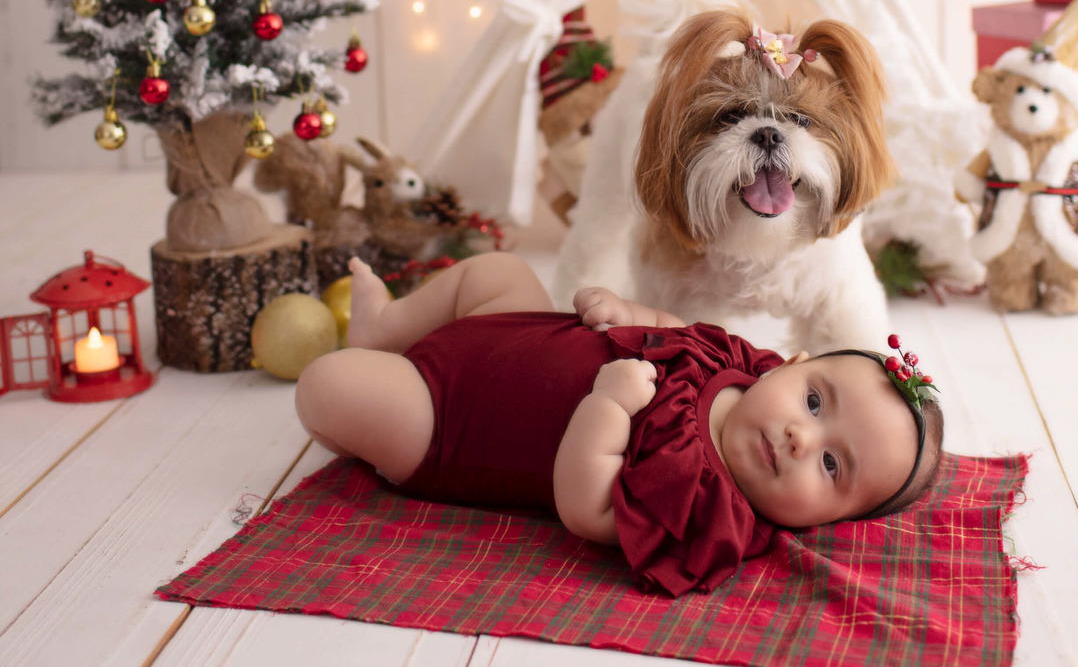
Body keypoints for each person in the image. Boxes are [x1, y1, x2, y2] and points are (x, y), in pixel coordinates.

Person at [295, 251, 945, 598]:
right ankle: (389, 328)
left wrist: (609, 406)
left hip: (451, 421)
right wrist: (621, 307)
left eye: (831, 466)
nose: (804, 438)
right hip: (512, 329)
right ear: (793, 364)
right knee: (498, 271)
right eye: (814, 400)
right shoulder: (742, 365)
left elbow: (587, 506)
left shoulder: (706, 505)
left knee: (328, 386)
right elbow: (672, 327)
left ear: (827, 522)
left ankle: (366, 404)